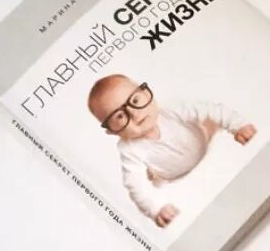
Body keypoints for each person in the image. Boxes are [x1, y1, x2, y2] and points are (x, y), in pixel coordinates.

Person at [88, 74, 257, 227]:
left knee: (212, 121)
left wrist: (238, 126)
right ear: (112, 131)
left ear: (146, 93)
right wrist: (156, 209)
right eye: (119, 116)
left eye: (135, 101)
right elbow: (135, 185)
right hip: (175, 180)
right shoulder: (130, 150)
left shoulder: (171, 109)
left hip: (206, 141)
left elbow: (211, 110)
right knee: (162, 188)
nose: (134, 114)